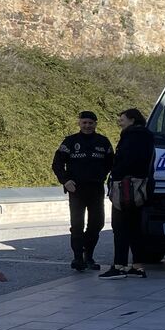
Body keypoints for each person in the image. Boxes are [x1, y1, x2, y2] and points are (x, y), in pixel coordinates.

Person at [52, 110, 113, 271]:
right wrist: (65, 181)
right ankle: (78, 258)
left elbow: (111, 163)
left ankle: (89, 256)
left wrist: (102, 176)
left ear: (95, 124)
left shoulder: (103, 142)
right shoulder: (70, 141)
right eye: (84, 122)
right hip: (76, 190)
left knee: (97, 223)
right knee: (77, 225)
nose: (87, 125)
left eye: (90, 123)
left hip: (96, 189)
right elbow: (57, 164)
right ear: (79, 123)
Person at [101, 107, 154, 279]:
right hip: (141, 188)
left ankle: (119, 266)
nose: (119, 121)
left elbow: (126, 161)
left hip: (125, 188)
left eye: (122, 119)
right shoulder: (147, 136)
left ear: (132, 120)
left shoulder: (131, 136)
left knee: (120, 227)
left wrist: (115, 174)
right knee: (135, 228)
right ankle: (138, 267)